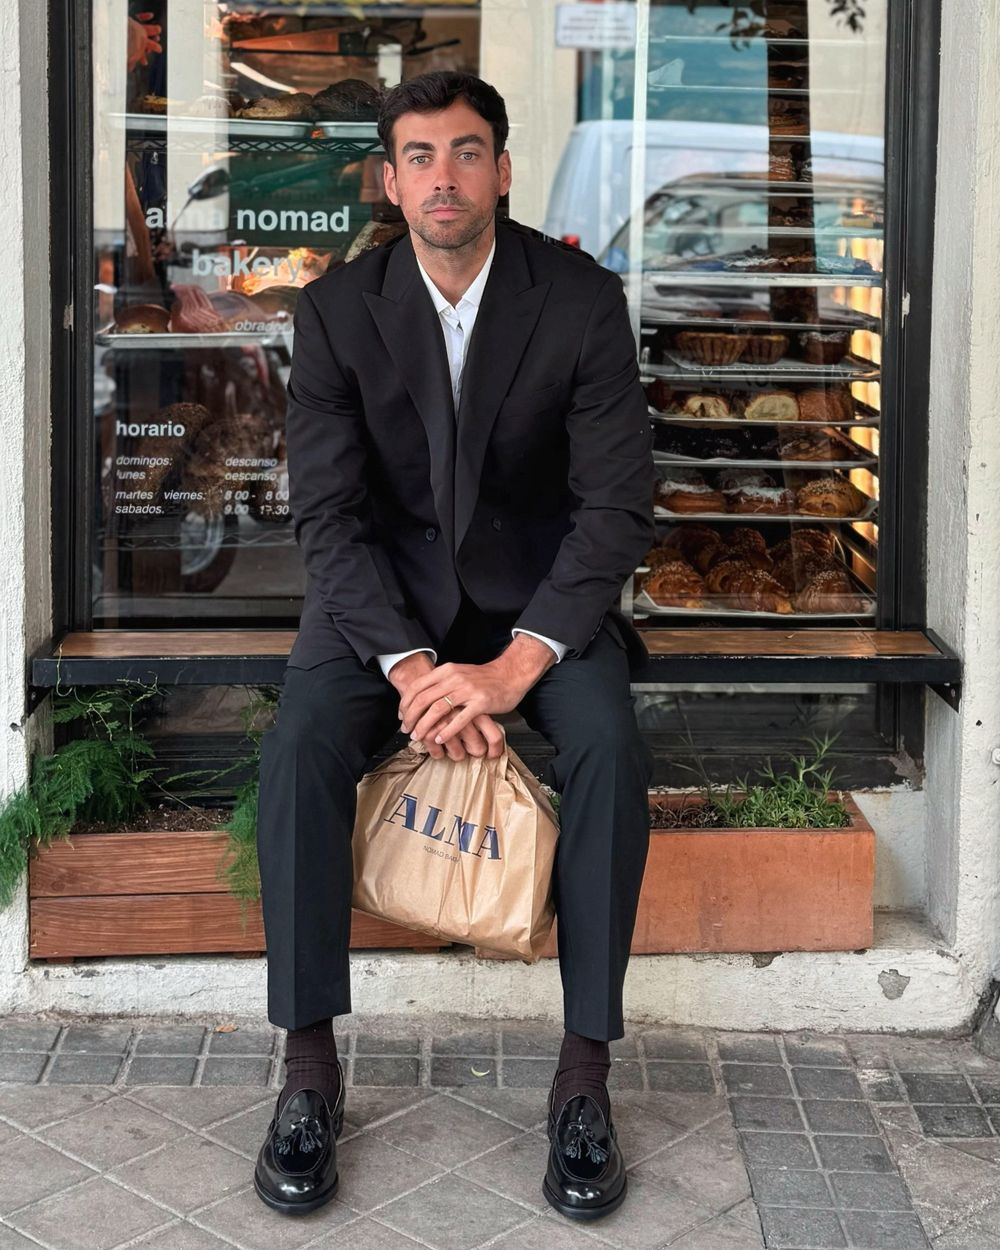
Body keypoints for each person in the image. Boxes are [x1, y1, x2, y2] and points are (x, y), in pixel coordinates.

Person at [253, 70, 655, 1222]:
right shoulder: (336, 309)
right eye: (420, 156)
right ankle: (308, 1068)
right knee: (299, 750)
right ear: (388, 180)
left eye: (467, 152)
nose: (444, 175)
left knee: (609, 750)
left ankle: (584, 1077)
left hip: (538, 607)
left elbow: (616, 509)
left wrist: (519, 660)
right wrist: (415, 667)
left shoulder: (579, 299)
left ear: (503, 170)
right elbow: (326, 516)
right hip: (380, 613)